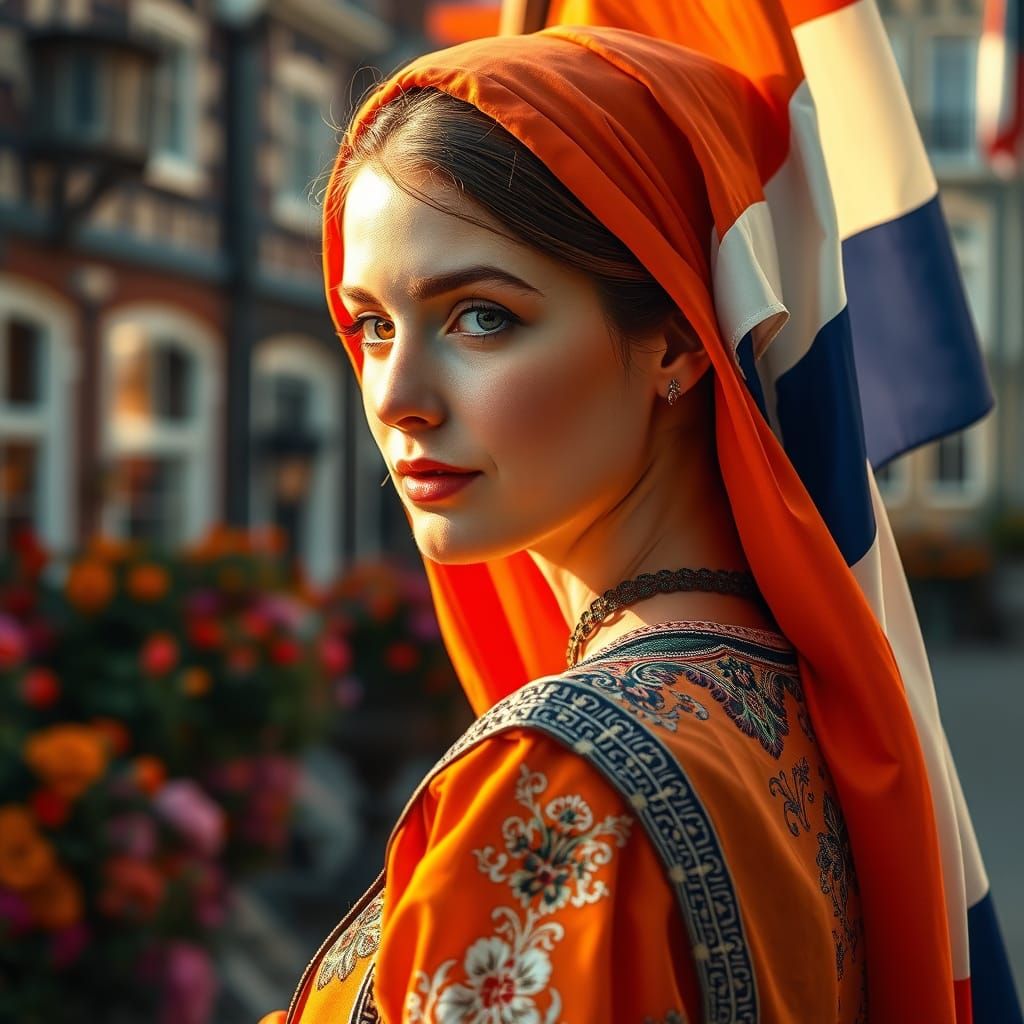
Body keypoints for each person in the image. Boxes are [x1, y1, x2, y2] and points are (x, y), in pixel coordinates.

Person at [260, 22, 965, 1024]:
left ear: (675, 338)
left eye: (481, 316)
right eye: (372, 324)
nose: (395, 397)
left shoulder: (557, 788)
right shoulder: (802, 712)